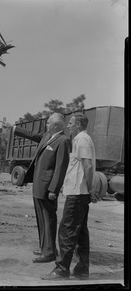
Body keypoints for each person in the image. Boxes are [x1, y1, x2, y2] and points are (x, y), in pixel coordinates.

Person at [2, 113, 71, 263]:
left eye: (48, 123)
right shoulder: (48, 136)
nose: (46, 126)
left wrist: (54, 189)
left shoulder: (63, 141)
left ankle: (49, 252)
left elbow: (60, 168)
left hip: (47, 189)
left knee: (48, 219)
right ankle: (45, 248)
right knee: (41, 219)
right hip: (39, 186)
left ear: (56, 126)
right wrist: (13, 128)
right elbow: (32, 134)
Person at [41, 113, 100, 280]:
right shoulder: (82, 139)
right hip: (79, 193)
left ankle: (61, 269)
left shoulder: (81, 139)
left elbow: (87, 167)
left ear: (79, 124)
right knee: (80, 232)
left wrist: (91, 189)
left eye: (71, 123)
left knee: (66, 231)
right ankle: (82, 269)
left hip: (77, 193)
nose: (68, 126)